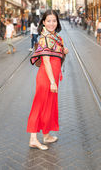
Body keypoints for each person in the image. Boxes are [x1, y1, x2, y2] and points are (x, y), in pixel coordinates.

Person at [27, 10, 69, 150]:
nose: (52, 23)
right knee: (39, 106)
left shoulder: (56, 37)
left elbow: (55, 58)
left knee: (49, 106)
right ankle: (33, 138)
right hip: (46, 77)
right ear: (43, 22)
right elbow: (46, 60)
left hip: (53, 77)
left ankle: (46, 135)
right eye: (49, 21)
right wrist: (51, 81)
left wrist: (63, 52)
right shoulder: (45, 38)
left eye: (54, 20)